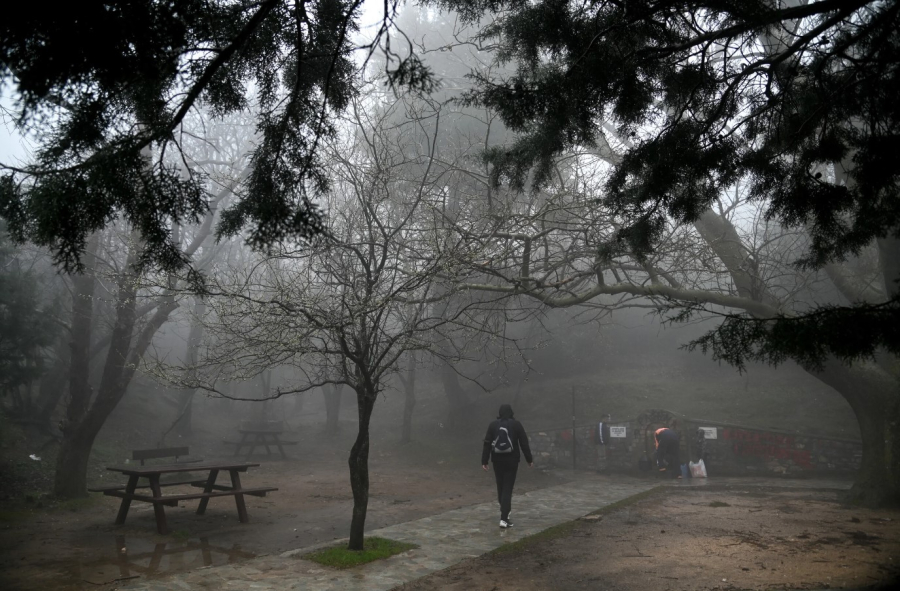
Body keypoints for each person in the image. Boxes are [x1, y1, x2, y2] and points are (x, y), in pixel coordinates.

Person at [482, 404, 533, 528]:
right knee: (507, 487)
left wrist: (484, 461)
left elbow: (487, 443)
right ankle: (504, 518)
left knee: (501, 486)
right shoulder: (516, 425)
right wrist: (529, 459)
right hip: (512, 460)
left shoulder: (493, 425)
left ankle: (505, 511)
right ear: (511, 412)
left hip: (497, 460)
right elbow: (524, 443)